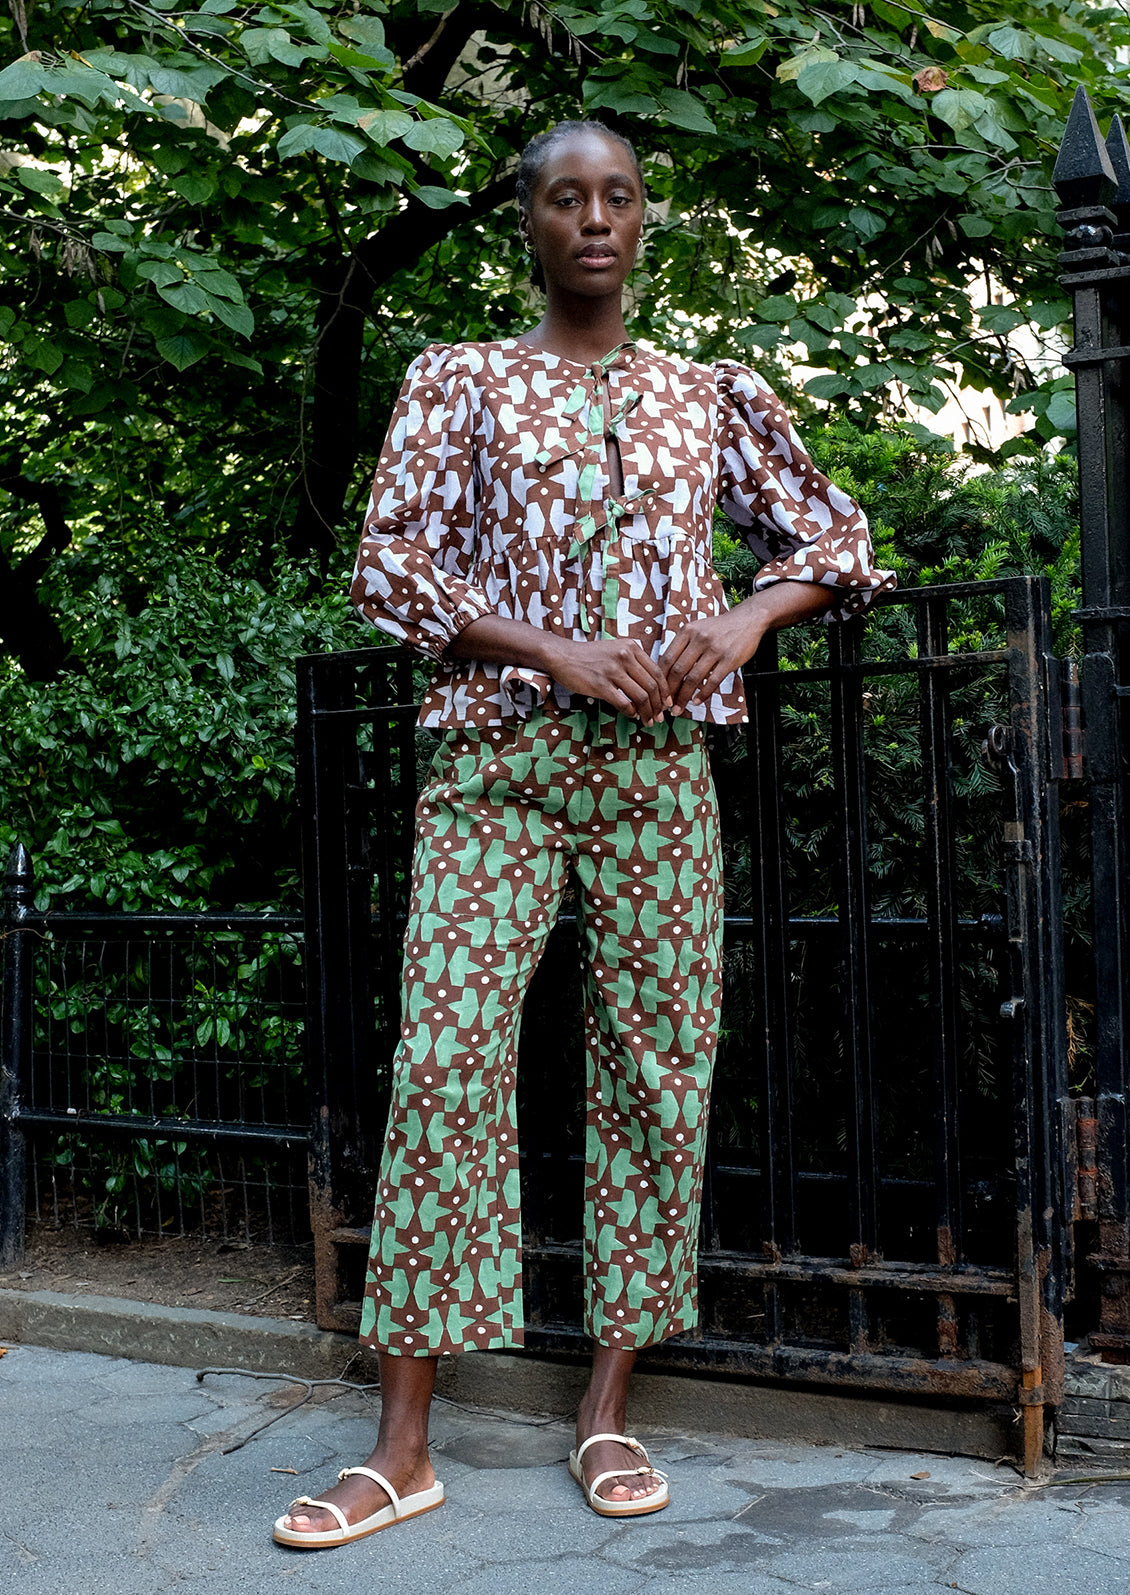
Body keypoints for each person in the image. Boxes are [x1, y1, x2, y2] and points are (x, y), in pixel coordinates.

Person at [273, 119, 894, 1549]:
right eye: (566, 198)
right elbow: (389, 565)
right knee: (443, 1059)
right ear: (530, 224)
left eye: (616, 195)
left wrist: (742, 619)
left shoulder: (707, 395)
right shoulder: (461, 381)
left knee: (653, 1069)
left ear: (643, 217)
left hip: (660, 774)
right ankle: (402, 1443)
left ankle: (606, 1410)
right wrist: (547, 646)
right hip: (498, 763)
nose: (594, 218)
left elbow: (836, 541)